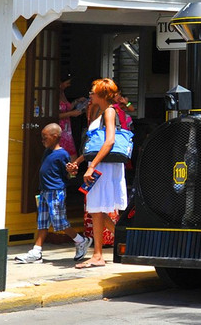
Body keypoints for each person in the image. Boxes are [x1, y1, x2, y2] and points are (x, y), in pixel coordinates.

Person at [68, 77, 128, 268]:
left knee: (96, 208)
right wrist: (78, 162)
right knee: (98, 209)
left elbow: (109, 141)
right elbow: (94, 145)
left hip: (103, 167)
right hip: (101, 164)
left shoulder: (109, 112)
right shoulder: (101, 113)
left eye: (92, 92)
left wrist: (92, 166)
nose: (90, 95)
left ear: (102, 94)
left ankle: (98, 255)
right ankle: (126, 239)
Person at [15, 123, 91, 264]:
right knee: (42, 222)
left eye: (45, 137)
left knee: (59, 222)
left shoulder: (62, 154)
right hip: (45, 191)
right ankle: (36, 252)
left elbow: (69, 174)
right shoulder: (47, 152)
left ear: (55, 137)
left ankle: (81, 240)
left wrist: (71, 171)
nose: (43, 140)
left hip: (56, 191)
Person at [57, 76, 82, 158]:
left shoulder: (62, 93)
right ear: (60, 83)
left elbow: (67, 107)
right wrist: (71, 114)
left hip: (67, 129)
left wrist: (77, 101)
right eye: (67, 83)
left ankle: (72, 169)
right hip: (60, 128)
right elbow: (54, 115)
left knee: (71, 152)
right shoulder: (54, 94)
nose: (68, 85)